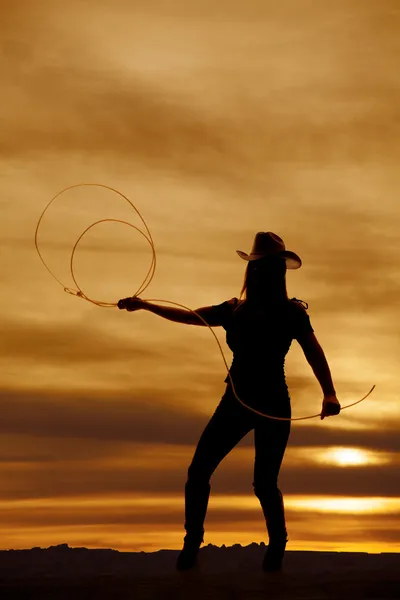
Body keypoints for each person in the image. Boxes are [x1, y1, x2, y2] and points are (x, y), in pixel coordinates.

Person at [118, 232, 341, 573]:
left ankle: (277, 545)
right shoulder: (234, 310)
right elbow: (191, 316)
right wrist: (147, 305)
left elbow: (314, 351)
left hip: (274, 404)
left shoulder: (291, 313)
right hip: (235, 401)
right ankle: (192, 544)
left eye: (271, 266)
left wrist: (329, 392)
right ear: (254, 271)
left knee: (264, 483)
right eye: (262, 266)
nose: (266, 272)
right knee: (199, 471)